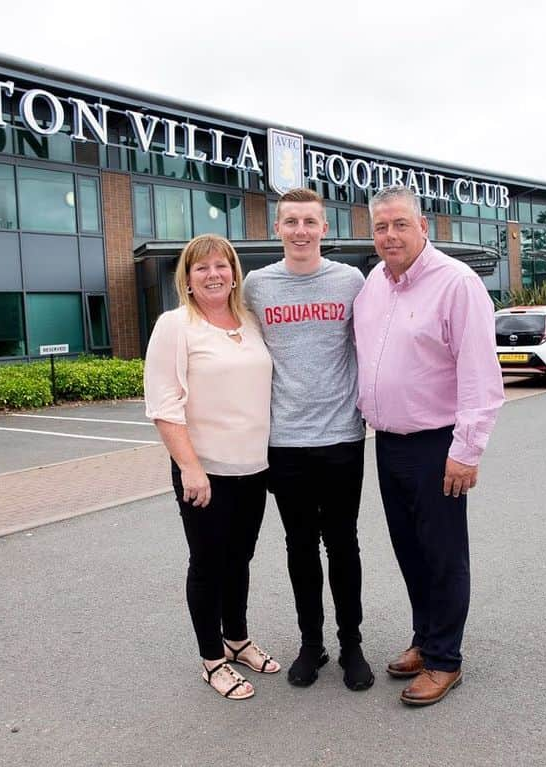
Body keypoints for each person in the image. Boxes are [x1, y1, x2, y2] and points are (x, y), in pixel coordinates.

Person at [353, 186, 504, 706]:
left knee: (442, 555)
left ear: (424, 225)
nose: (389, 235)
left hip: (438, 444)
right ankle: (425, 637)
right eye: (380, 227)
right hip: (388, 442)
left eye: (399, 224)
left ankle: (445, 659)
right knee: (409, 551)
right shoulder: (374, 283)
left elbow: (481, 375)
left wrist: (467, 450)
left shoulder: (456, 284)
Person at [243, 188, 374, 691]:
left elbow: (374, 343)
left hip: (342, 437)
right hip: (285, 442)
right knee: (299, 546)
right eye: (291, 221)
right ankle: (311, 644)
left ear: (324, 229)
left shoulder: (349, 281)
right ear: (278, 229)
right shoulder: (257, 286)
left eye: (310, 222)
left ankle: (351, 645)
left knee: (343, 543)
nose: (301, 230)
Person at [144, 233, 280, 701]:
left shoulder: (248, 320)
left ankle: (236, 639)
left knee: (239, 558)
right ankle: (212, 660)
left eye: (221, 266)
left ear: (234, 273)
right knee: (207, 564)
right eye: (201, 268)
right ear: (187, 278)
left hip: (253, 468)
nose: (213, 274)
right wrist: (190, 467)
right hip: (206, 471)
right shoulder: (175, 325)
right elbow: (164, 404)